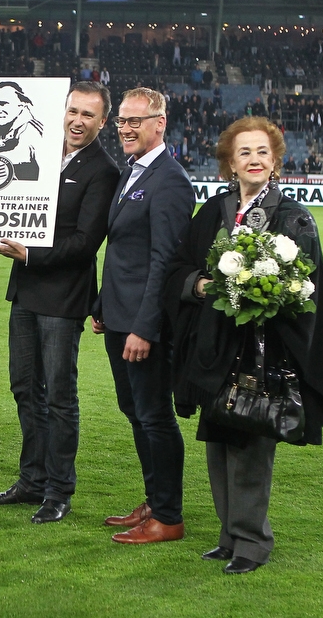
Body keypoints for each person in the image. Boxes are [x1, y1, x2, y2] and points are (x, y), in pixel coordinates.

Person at [164, 117, 323, 574]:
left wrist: (261, 296)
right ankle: (229, 534)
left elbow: (303, 288)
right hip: (213, 348)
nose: (254, 159)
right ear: (229, 164)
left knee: (251, 447)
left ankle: (253, 543)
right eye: (244, 153)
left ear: (275, 160)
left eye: (262, 151)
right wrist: (201, 287)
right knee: (218, 441)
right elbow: (179, 267)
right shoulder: (213, 211)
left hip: (265, 353)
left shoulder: (294, 217)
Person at [0, 82, 120, 523]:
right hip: (26, 291)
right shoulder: (41, 152)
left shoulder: (103, 170)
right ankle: (32, 480)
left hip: (63, 298)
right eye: (73, 111)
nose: (78, 121)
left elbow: (86, 244)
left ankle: (60, 490)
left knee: (60, 397)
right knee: (25, 388)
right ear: (60, 111)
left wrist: (30, 254)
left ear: (103, 122)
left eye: (89, 114)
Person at [91, 87, 194, 544]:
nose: (127, 129)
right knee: (135, 411)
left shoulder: (170, 180)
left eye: (137, 121)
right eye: (122, 122)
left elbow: (164, 263)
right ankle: (154, 500)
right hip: (119, 317)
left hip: (142, 326)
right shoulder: (133, 172)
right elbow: (122, 250)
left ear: (160, 123)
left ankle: (168, 516)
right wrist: (101, 306)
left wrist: (145, 327)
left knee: (154, 416)